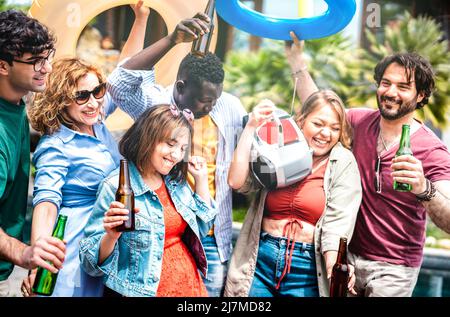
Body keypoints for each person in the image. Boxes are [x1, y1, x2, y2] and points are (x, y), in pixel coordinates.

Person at [286, 32, 450, 297]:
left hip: (394, 269)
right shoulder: (359, 122)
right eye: (385, 83)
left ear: (420, 96)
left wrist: (424, 188)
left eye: (403, 86)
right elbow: (320, 108)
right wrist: (297, 62)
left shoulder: (433, 151)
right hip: (346, 257)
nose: (391, 92)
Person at [107, 12, 246, 296]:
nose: (211, 107)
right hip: (161, 236)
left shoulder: (228, 106)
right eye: (205, 101)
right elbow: (118, 84)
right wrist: (172, 40)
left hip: (210, 236)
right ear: (181, 88)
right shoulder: (156, 104)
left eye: (216, 99)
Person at [21, 2, 151, 297]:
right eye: (81, 95)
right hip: (74, 249)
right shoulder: (55, 145)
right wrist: (37, 257)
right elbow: (47, 202)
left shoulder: (95, 118)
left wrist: (140, 18)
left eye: (98, 90)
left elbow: (126, 70)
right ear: (60, 100)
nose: (93, 101)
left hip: (108, 242)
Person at [224, 93, 361, 297]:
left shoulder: (343, 161)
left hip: (306, 269)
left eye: (335, 128)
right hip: (260, 261)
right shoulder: (277, 146)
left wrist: (334, 266)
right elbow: (236, 181)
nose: (326, 133)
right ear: (301, 120)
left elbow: (338, 224)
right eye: (318, 124)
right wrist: (251, 127)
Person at [79, 105, 217, 297]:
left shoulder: (175, 182)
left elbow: (201, 231)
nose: (176, 155)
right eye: (170, 144)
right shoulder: (115, 186)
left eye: (183, 149)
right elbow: (89, 264)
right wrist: (111, 236)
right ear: (148, 137)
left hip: (192, 288)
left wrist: (201, 180)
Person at [0, 9, 66, 297]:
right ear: (3, 66)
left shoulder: (15, 103)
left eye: (47, 58)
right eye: (36, 62)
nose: (47, 68)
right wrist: (24, 253)